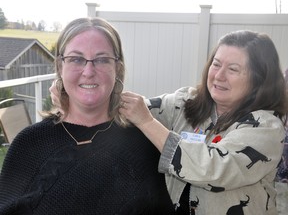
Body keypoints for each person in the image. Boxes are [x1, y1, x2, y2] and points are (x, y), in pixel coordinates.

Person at [0, 17, 175, 215]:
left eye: (101, 59)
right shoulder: (29, 144)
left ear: (117, 67)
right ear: (60, 66)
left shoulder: (143, 145)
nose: (89, 71)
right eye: (76, 59)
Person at [119, 30, 288, 214]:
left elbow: (212, 169)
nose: (219, 76)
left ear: (259, 79)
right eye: (216, 64)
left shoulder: (266, 128)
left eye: (233, 69)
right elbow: (138, 109)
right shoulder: (185, 102)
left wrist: (147, 123)